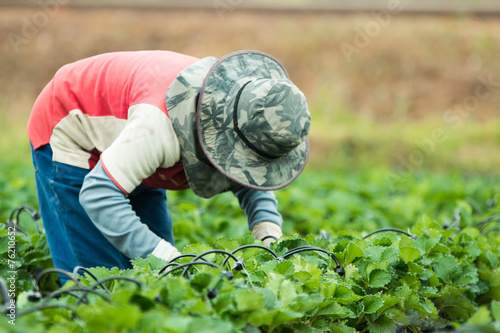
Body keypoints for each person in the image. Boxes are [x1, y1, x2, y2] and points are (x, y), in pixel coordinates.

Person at [27, 50, 311, 284]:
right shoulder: (158, 126)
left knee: (158, 278)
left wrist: (269, 236)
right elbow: (98, 194)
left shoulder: (238, 113)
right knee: (101, 279)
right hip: (70, 129)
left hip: (133, 144)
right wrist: (166, 256)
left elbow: (250, 173)